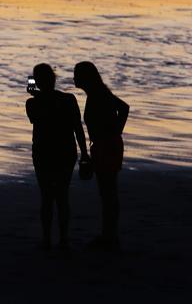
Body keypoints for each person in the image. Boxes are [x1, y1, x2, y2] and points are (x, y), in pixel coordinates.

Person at [25, 63, 89, 250]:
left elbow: (35, 116)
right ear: (54, 79)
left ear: (36, 82)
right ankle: (64, 239)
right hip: (65, 151)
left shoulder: (32, 103)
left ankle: (46, 239)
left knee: (46, 197)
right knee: (62, 196)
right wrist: (84, 152)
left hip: (43, 152)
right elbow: (78, 128)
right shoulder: (69, 99)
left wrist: (33, 88)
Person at [73, 61, 129, 249]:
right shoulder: (98, 93)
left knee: (108, 193)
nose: (73, 78)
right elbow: (124, 108)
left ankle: (109, 237)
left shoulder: (98, 95)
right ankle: (110, 235)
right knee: (108, 192)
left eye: (76, 74)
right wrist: (115, 133)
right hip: (107, 144)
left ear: (85, 78)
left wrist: (114, 132)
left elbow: (124, 108)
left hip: (106, 146)